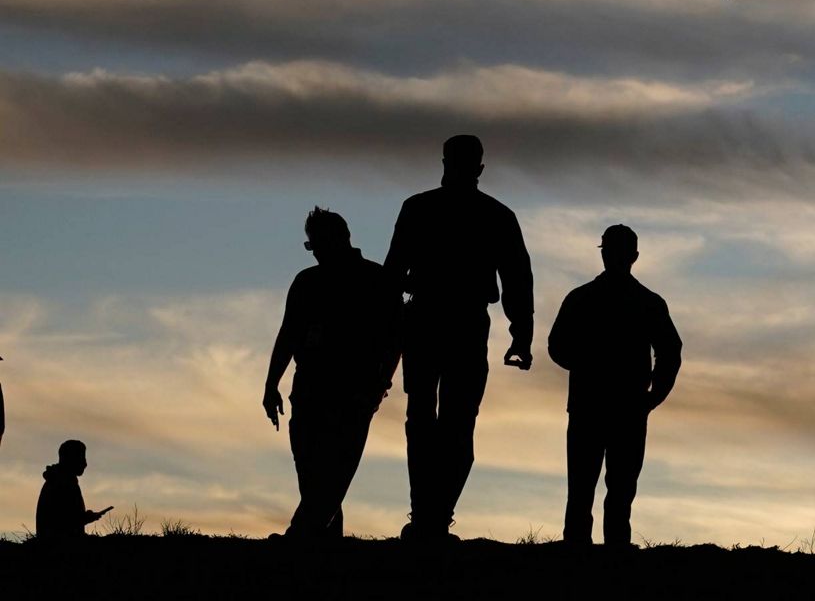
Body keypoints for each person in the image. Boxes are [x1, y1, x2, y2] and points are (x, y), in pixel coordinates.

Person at [384, 135, 534, 543]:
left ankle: (430, 515)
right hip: (449, 320)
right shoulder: (493, 215)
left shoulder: (421, 208)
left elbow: (392, 275)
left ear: (445, 161)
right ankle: (431, 515)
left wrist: (522, 333)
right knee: (445, 421)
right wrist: (521, 333)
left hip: (441, 319)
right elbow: (517, 279)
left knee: (439, 420)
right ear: (479, 168)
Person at [263, 207, 402, 539]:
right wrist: (271, 385)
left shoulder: (376, 280)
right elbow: (288, 334)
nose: (317, 252)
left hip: (354, 393)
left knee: (334, 471)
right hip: (309, 391)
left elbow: (395, 337)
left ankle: (301, 537)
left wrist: (380, 383)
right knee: (313, 473)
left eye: (319, 244)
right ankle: (323, 541)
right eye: (312, 247)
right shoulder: (307, 282)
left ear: (342, 239)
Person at [548, 224, 682, 547]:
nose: (615, 257)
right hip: (608, 408)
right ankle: (605, 555)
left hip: (604, 407)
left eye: (615, 251)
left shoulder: (584, 299)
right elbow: (670, 353)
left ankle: (593, 554)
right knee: (602, 490)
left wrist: (652, 398)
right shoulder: (645, 302)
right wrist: (652, 397)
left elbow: (670, 352)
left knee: (602, 490)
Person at [36, 440, 111, 540]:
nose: (85, 464)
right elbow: (63, 522)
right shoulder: (62, 482)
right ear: (70, 459)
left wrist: (85, 517)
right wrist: (86, 518)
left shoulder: (59, 479)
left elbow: (68, 517)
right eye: (81, 458)